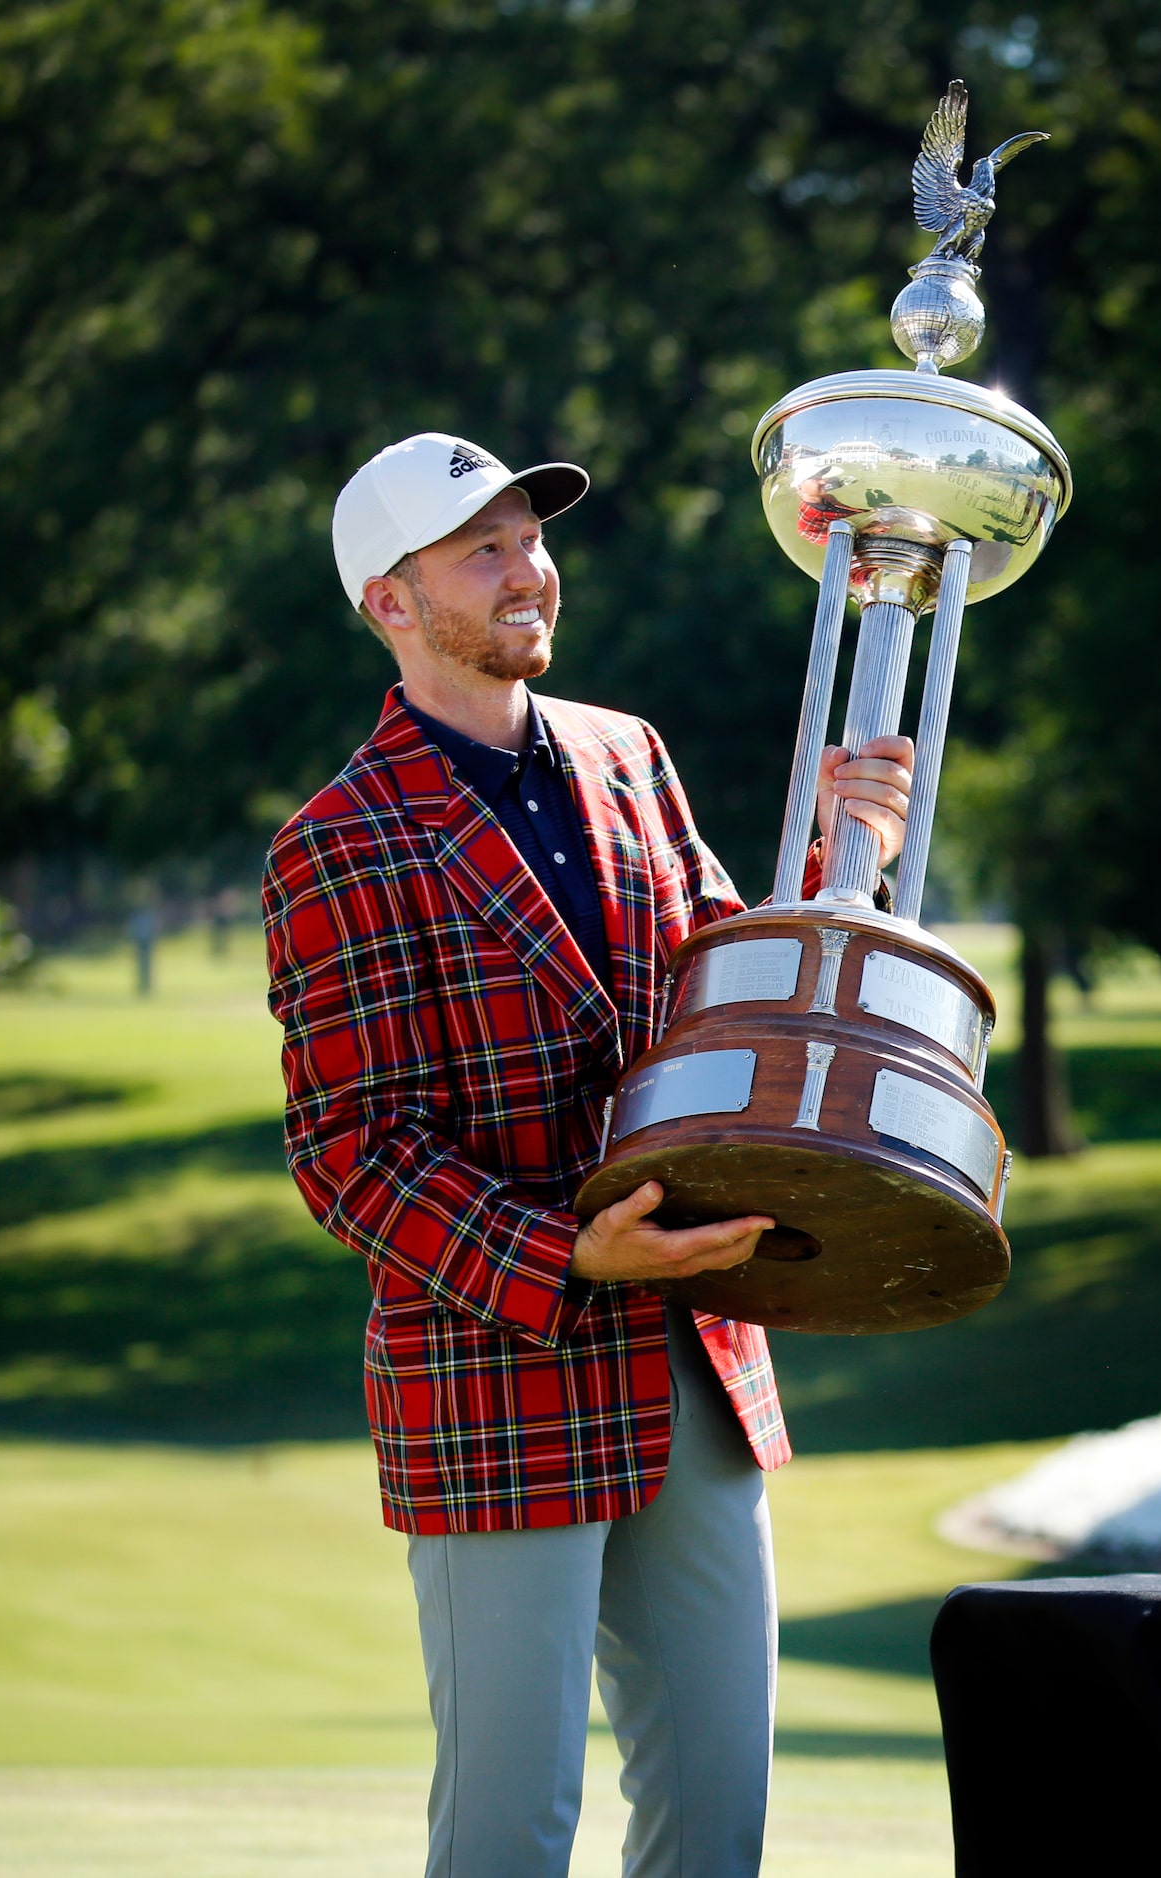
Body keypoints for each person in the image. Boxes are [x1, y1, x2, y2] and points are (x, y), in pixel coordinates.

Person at [263, 432, 912, 1876]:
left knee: (720, 1812)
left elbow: (721, 1004)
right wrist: (568, 1250)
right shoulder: (336, 843)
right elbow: (353, 1153)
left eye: (531, 539)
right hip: (499, 1370)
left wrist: (826, 863)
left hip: (695, 1350)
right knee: (510, 1828)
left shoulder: (632, 754)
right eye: (482, 549)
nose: (528, 570)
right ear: (390, 598)